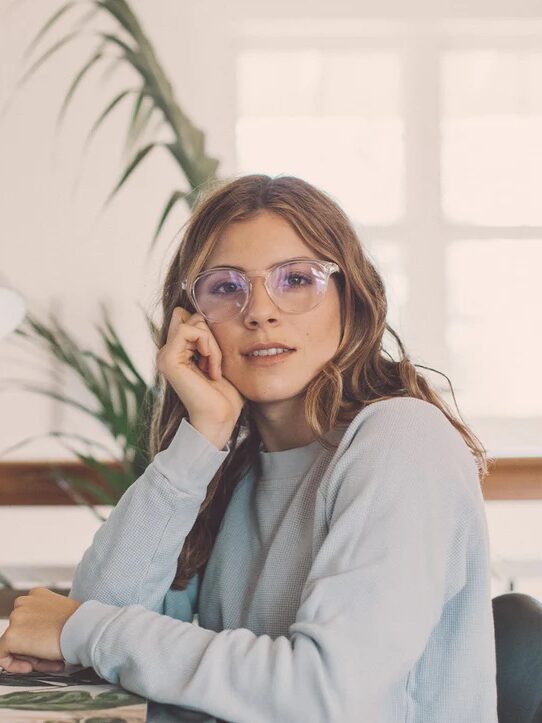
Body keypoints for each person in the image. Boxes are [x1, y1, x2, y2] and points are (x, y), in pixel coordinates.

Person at [0, 174, 498, 722]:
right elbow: (100, 615)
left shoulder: (404, 442)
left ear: (351, 302)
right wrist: (201, 436)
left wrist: (84, 630)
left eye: (297, 280)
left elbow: (324, 695)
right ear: (190, 323)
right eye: (226, 288)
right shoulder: (230, 470)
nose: (260, 311)